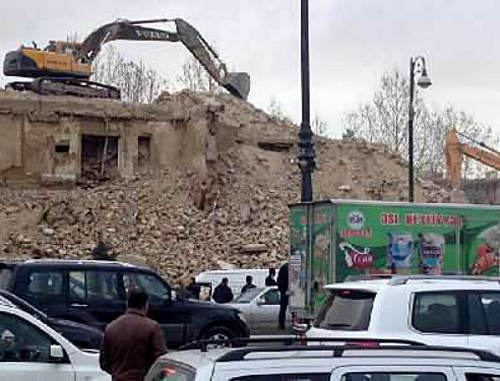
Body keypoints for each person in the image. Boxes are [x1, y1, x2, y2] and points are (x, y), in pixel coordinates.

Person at [99, 289, 167, 381]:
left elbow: (104, 362)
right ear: (146, 305)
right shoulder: (152, 327)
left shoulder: (111, 327)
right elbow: (161, 360)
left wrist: (117, 373)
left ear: (127, 304)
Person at [277, 262, 289, 330]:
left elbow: (279, 281)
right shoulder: (289, 267)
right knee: (296, 310)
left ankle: (281, 324)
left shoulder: (283, 267)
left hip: (284, 291)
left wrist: (282, 291)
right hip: (292, 291)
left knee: (282, 309)